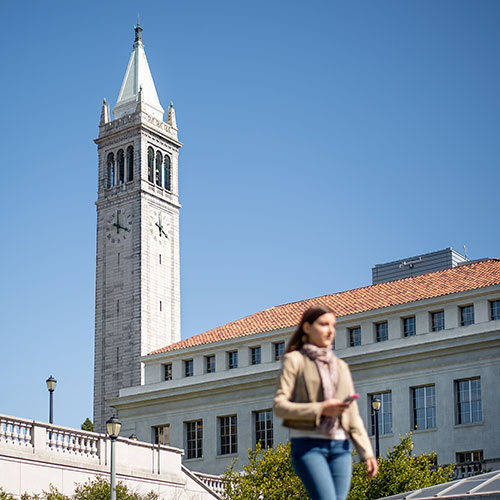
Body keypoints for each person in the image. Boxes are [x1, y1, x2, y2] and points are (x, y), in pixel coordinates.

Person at [274, 305, 378, 500]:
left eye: (333, 325)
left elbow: (352, 416)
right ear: (307, 327)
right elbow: (280, 406)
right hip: (308, 445)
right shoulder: (294, 361)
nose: (330, 330)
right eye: (324, 324)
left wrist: (368, 453)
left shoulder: (341, 367)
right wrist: (321, 409)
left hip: (340, 447)